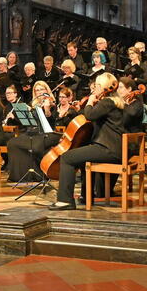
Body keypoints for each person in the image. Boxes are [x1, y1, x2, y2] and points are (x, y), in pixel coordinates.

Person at [50, 72, 125, 210]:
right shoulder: (115, 102)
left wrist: (90, 102)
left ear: (103, 87)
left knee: (66, 157)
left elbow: (89, 114)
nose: (94, 89)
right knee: (81, 158)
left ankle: (65, 201)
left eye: (96, 85)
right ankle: (86, 196)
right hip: (112, 148)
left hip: (107, 149)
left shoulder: (107, 102)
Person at [6, 81, 60, 183]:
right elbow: (29, 123)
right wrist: (27, 112)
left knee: (35, 146)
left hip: (48, 133)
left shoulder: (51, 103)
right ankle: (20, 176)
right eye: (37, 90)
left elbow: (51, 121)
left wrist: (47, 109)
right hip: (34, 132)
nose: (39, 92)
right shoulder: (34, 104)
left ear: (46, 90)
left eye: (41, 89)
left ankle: (39, 175)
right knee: (12, 143)